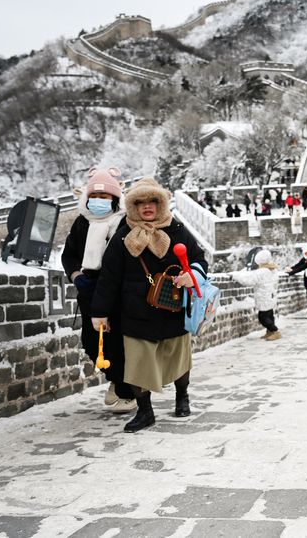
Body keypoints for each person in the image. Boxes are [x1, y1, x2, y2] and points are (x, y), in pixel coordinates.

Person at [91, 177, 208, 433]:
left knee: (178, 358)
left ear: (161, 203)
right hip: (135, 312)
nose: (147, 207)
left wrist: (194, 275)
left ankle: (182, 396)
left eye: (152, 201)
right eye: (140, 202)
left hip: (172, 308)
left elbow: (199, 259)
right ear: (132, 206)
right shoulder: (123, 237)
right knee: (138, 363)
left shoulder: (177, 230)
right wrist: (100, 312)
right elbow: (108, 277)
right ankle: (145, 411)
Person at [61, 166, 135, 413]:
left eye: (105, 197)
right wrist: (76, 276)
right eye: (95, 196)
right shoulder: (82, 223)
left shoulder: (125, 222)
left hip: (118, 291)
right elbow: (69, 254)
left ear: (115, 199)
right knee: (92, 343)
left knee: (119, 341)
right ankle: (117, 380)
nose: (99, 201)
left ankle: (126, 391)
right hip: (89, 290)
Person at [233, 249, 281, 340]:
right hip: (270, 295)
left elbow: (249, 280)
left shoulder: (262, 271)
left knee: (262, 317)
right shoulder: (272, 269)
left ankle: (275, 331)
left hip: (263, 296)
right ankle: (270, 331)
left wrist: (235, 276)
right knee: (269, 314)